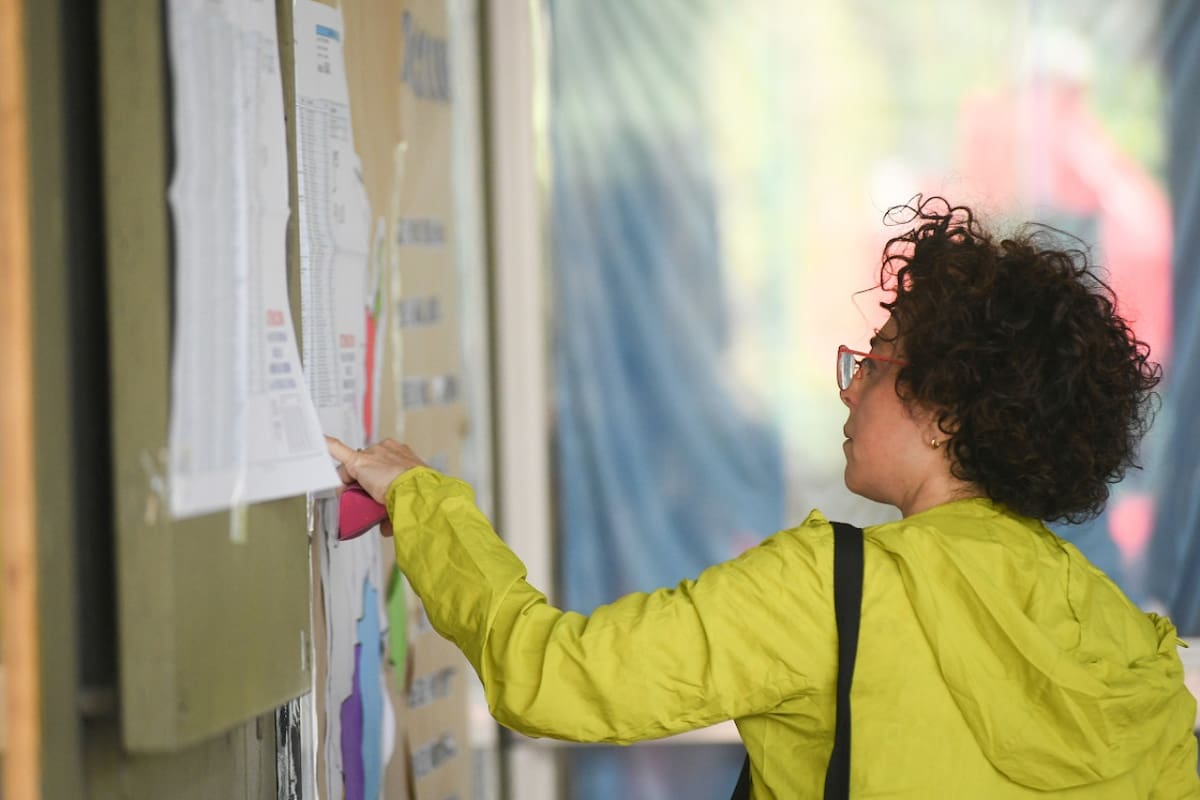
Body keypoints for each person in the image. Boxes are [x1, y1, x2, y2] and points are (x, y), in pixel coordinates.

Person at [327, 198, 1199, 798]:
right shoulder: (1128, 644)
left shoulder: (832, 590)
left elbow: (552, 678)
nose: (849, 388)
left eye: (878, 361)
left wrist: (421, 500)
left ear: (946, 409)